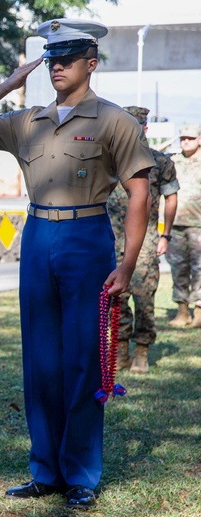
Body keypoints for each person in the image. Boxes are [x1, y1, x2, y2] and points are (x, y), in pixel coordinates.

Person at [0, 19, 153, 509]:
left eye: (67, 57)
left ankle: (80, 473)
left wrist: (125, 266)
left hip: (86, 235)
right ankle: (46, 470)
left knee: (81, 358)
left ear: (91, 62)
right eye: (50, 57)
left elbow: (139, 193)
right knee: (40, 359)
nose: (56, 65)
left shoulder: (113, 120)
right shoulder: (28, 120)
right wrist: (9, 84)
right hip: (37, 234)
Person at [106, 106, 179, 373]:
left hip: (146, 240)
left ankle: (142, 350)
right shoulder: (109, 159)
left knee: (145, 297)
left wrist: (165, 235)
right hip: (112, 240)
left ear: (145, 128)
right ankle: (121, 349)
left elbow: (171, 197)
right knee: (116, 296)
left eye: (137, 126)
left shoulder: (160, 162)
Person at [168, 124, 201, 328]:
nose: (185, 141)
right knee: (178, 268)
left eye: (190, 137)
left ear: (199, 139)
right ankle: (182, 311)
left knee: (200, 268)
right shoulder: (172, 161)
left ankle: (198, 310)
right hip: (176, 223)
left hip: (199, 225)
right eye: (182, 138)